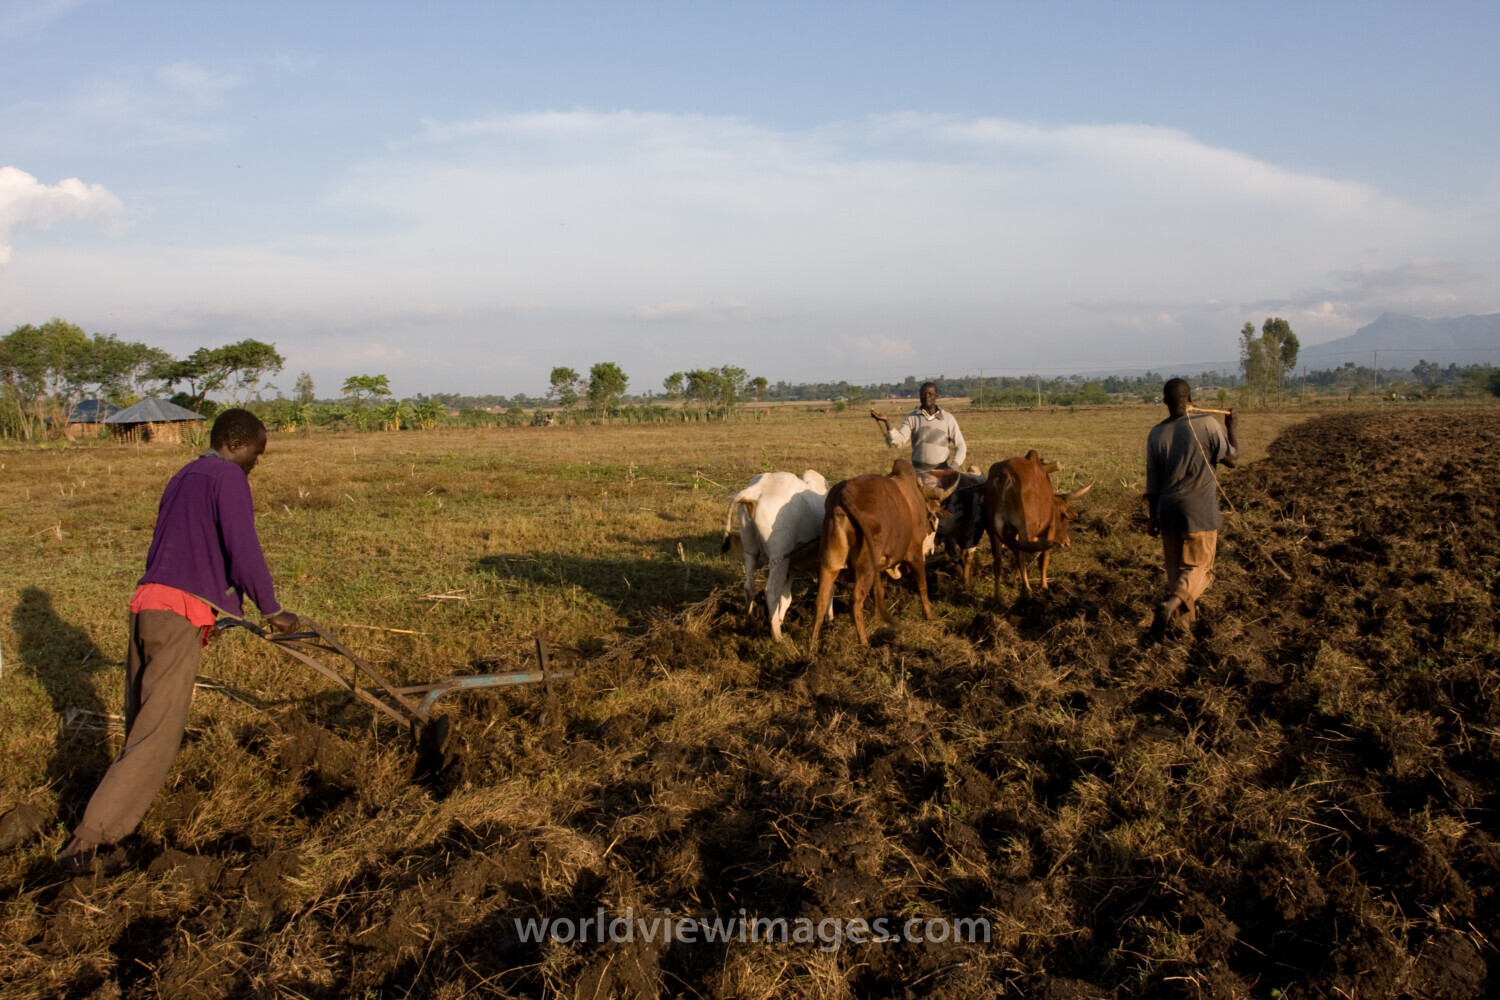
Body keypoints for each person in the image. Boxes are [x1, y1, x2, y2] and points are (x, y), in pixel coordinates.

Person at [57, 408, 299, 874]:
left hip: (146, 606)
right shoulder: (227, 477)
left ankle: (115, 808)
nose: (256, 463)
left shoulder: (184, 475)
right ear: (234, 444)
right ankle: (87, 841)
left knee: (141, 722)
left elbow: (185, 546)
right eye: (255, 453)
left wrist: (224, 604)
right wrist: (270, 608)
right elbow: (241, 546)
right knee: (159, 735)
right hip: (177, 616)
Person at [1145, 378, 1238, 640]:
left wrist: (1153, 517)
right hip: (1199, 512)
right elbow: (1231, 459)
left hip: (1166, 511)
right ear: (1190, 399)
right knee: (1200, 569)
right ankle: (1171, 605)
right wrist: (1232, 428)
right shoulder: (1207, 423)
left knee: (1176, 574)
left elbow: (1152, 483)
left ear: (1165, 402)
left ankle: (1184, 631)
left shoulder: (1156, 434)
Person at [869, 381, 967, 471]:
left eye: (930, 394)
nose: (926, 397)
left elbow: (960, 445)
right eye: (923, 394)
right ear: (920, 397)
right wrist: (887, 422)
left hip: (941, 472)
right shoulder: (912, 418)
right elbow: (898, 441)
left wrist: (952, 467)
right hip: (918, 472)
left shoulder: (948, 419)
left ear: (936, 396)